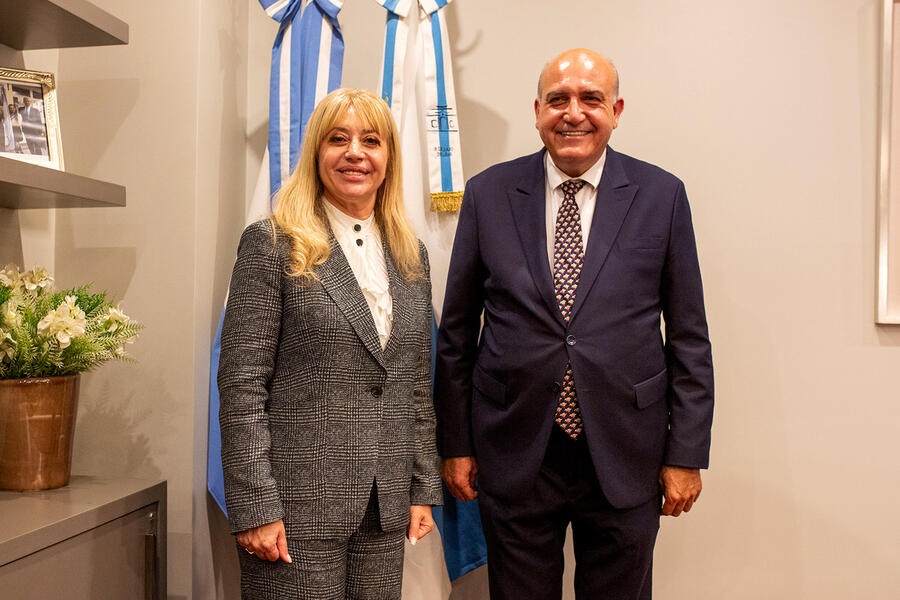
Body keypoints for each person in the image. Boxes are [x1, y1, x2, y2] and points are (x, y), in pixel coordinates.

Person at [434, 48, 714, 599]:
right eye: (558, 99)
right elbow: (458, 334)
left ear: (617, 109)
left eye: (591, 99)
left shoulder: (662, 196)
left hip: (625, 448)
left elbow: (689, 339)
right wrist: (456, 443)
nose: (574, 113)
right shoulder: (489, 194)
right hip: (514, 445)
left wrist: (685, 453)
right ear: (537, 110)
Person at [218, 87, 442, 599]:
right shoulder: (272, 242)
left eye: (371, 140)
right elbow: (241, 385)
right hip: (293, 512)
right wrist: (256, 506)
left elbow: (413, 387)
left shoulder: (411, 256)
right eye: (338, 139)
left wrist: (421, 487)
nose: (355, 153)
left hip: (383, 509)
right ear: (317, 153)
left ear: (389, 157)